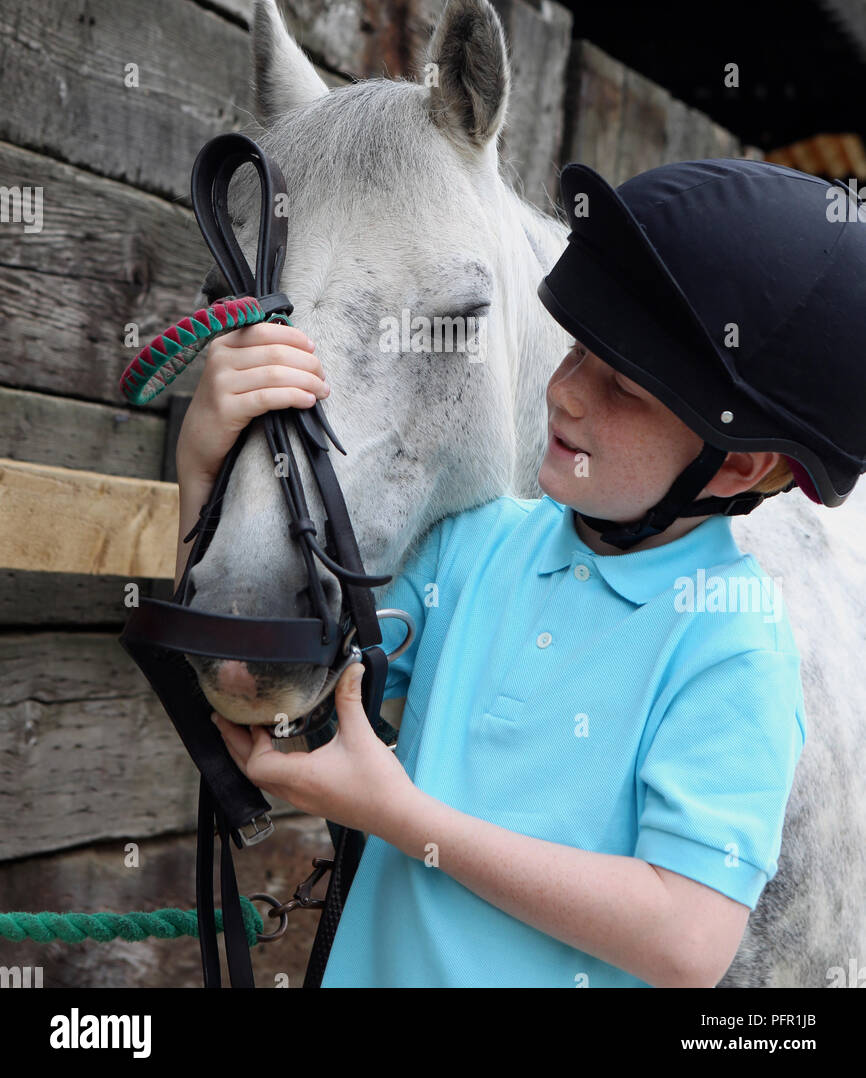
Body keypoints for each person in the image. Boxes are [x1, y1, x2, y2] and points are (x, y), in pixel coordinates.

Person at [181, 157, 866, 988]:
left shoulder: (733, 652)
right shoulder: (475, 550)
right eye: (577, 349)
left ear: (735, 467)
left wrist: (401, 817)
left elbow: (686, 941)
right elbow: (260, 665)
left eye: (622, 386)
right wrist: (204, 465)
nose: (567, 392)